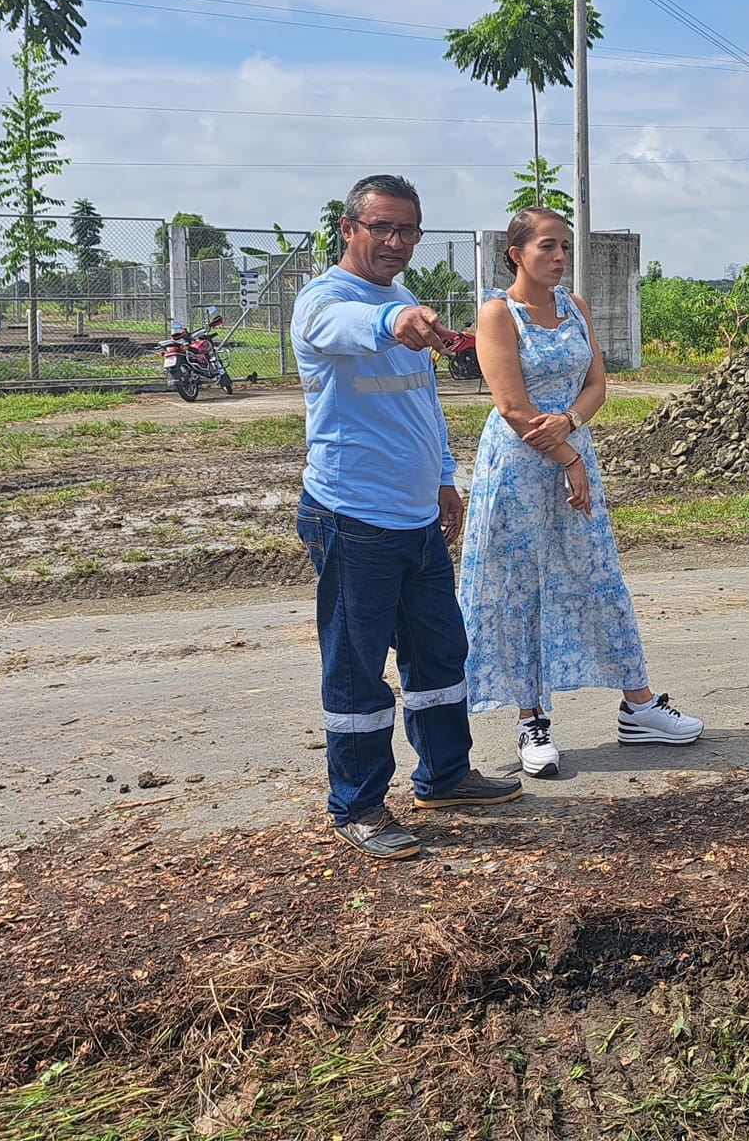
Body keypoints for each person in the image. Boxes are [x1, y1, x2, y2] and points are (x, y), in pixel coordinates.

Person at [290, 174, 520, 860]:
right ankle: (358, 807)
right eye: (381, 227)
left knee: (440, 654)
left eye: (407, 230)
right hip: (352, 517)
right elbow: (344, 328)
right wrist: (394, 324)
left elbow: (420, 401)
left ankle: (446, 776)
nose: (395, 241)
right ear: (347, 228)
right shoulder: (324, 301)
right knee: (357, 668)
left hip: (418, 516)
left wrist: (445, 478)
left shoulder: (402, 297)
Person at [458, 206, 703, 777]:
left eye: (564, 246)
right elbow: (511, 406)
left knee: (595, 573)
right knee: (521, 585)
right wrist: (567, 455)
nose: (560, 256)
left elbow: (597, 384)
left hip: (572, 452)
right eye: (547, 246)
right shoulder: (498, 313)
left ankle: (638, 706)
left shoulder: (574, 307)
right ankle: (531, 718)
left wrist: (570, 423)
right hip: (518, 467)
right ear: (516, 254)